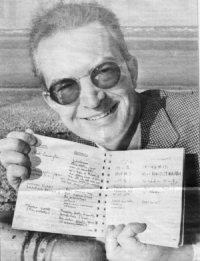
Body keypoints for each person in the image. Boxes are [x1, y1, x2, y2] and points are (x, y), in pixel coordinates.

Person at [0, 2, 199, 261]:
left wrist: (180, 256)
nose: (92, 100)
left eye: (104, 73)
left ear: (132, 71)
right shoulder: (66, 156)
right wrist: (35, 198)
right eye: (66, 88)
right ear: (51, 102)